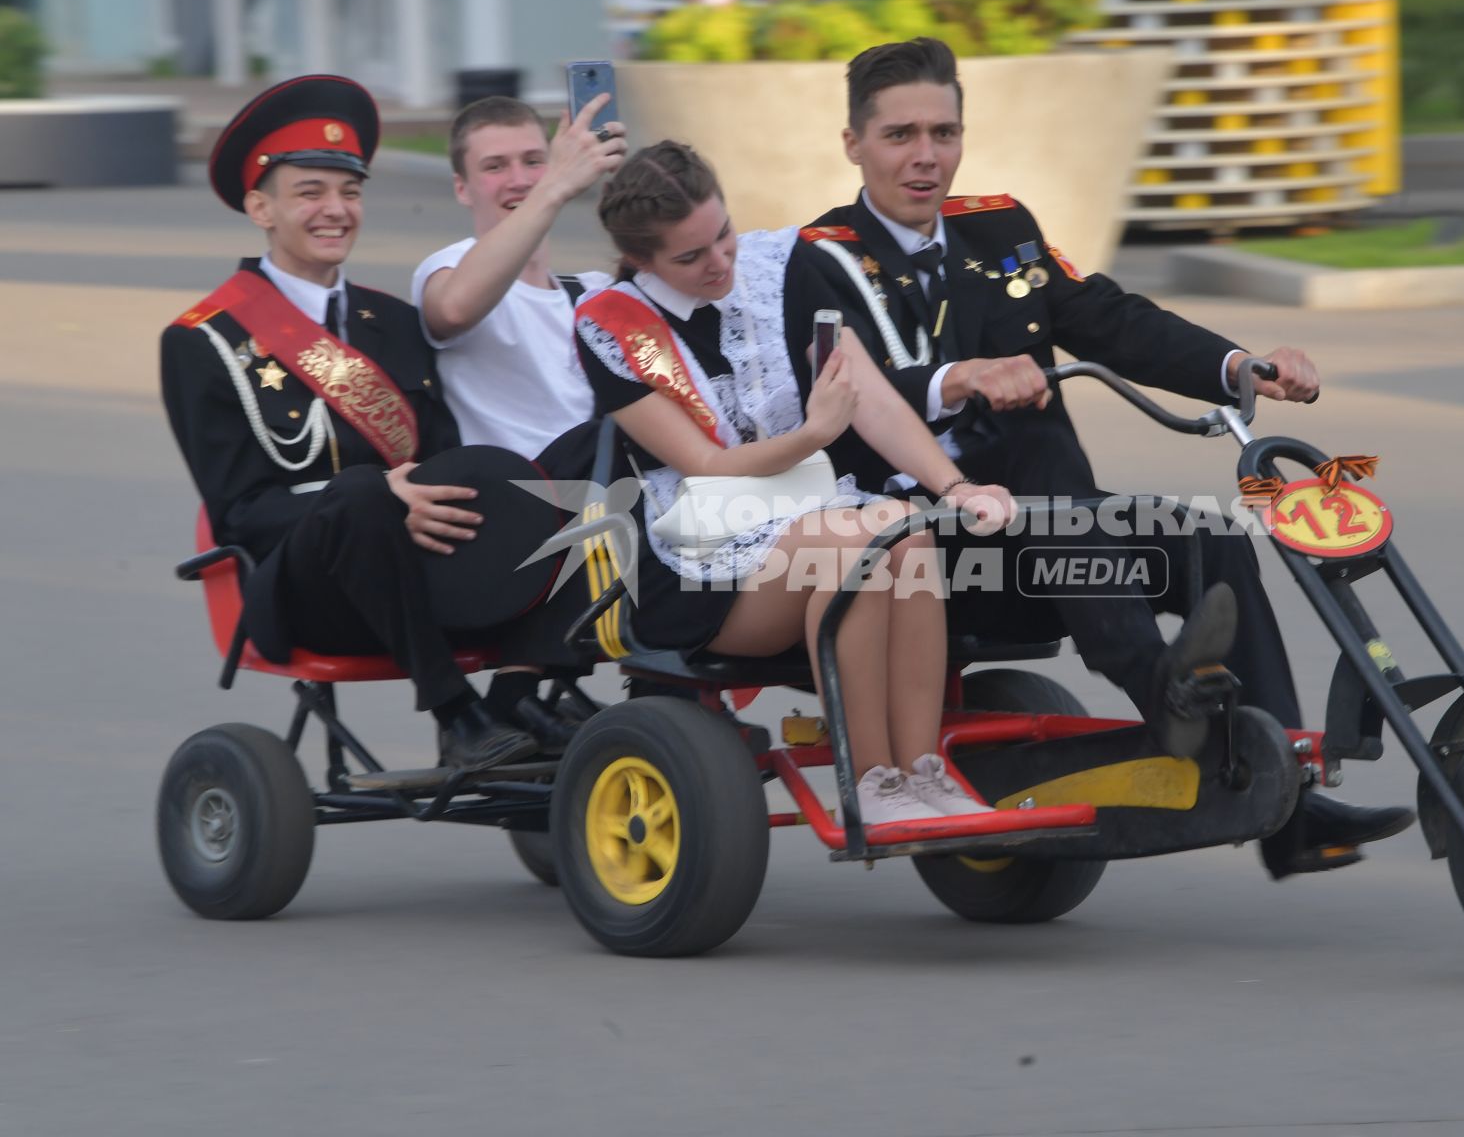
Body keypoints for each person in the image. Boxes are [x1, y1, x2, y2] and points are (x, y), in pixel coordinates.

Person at [799, 38, 1415, 876]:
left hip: (1051, 545)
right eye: (900, 135)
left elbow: (1110, 320)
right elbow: (844, 405)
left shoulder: (1000, 226)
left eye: (943, 133)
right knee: (1039, 452)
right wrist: (958, 379)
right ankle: (1167, 701)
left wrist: (1238, 367)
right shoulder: (821, 260)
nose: (925, 156)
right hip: (920, 555)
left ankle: (1285, 801)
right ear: (854, 144)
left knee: (1212, 543)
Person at [575, 140, 1077, 825]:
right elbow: (709, 468)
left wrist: (954, 487)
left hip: (813, 510)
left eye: (721, 235)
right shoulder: (609, 326)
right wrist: (813, 435)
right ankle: (871, 782)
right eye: (690, 258)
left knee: (910, 535)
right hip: (703, 550)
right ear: (642, 260)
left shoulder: (781, 268)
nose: (719, 262)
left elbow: (868, 397)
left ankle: (925, 771)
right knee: (855, 548)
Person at [159, 74, 537, 772]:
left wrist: (431, 495)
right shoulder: (203, 341)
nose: (336, 210)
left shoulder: (393, 321)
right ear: (259, 208)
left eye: (350, 191)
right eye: (310, 192)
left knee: (560, 466)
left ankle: (530, 687)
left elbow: (444, 458)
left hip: (423, 567)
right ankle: (457, 713)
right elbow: (240, 513)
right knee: (362, 492)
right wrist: (381, 496)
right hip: (304, 590)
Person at [412, 92, 628, 745]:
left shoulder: (591, 290)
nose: (519, 179)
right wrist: (556, 188)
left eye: (534, 160)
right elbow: (449, 313)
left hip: (595, 512)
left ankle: (674, 704)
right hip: (500, 523)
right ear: (461, 186)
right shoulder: (449, 268)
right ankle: (512, 694)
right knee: (619, 442)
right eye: (496, 166)